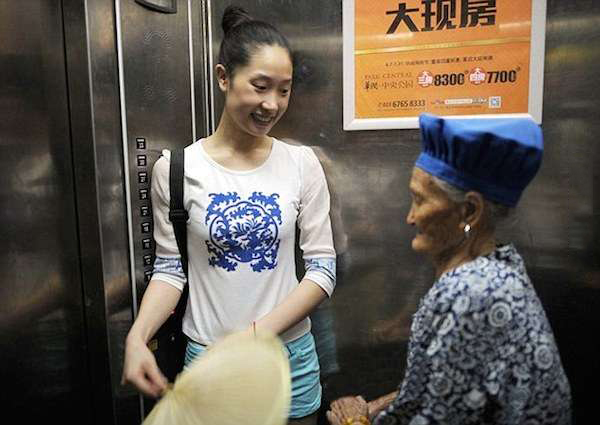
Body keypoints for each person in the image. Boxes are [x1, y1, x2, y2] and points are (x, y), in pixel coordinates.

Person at [122, 6, 336, 425]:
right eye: (260, 86)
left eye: (284, 90)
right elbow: (170, 270)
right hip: (210, 358)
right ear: (224, 78)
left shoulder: (301, 163)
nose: (272, 104)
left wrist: (254, 337)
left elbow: (322, 270)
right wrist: (136, 337)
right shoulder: (177, 169)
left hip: (287, 359)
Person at [326, 114, 572, 425]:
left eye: (420, 200)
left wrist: (355, 423)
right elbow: (453, 385)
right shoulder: (500, 263)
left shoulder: (468, 292)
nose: (410, 218)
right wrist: (380, 406)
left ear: (469, 210)